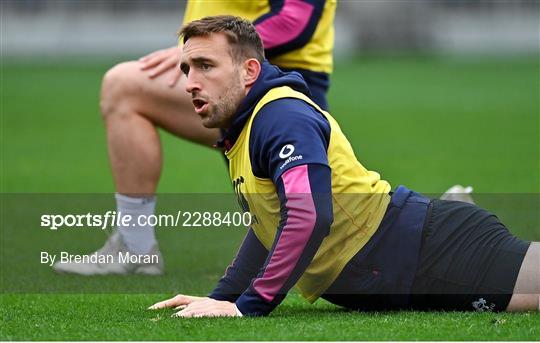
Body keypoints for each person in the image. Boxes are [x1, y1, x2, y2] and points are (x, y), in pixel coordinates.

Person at [148, 15, 539, 317]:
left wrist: (247, 305)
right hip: (415, 250)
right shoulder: (248, 126)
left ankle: (462, 213)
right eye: (186, 69)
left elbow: (308, 214)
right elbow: (267, 225)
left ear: (249, 70)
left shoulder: (280, 117)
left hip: (431, 254)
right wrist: (222, 297)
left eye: (205, 66)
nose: (190, 83)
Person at [53, 0, 337, 275]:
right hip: (225, 68)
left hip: (274, 79)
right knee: (124, 87)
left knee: (123, 86)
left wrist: (206, 52)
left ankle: (134, 247)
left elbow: (295, 20)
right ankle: (134, 247)